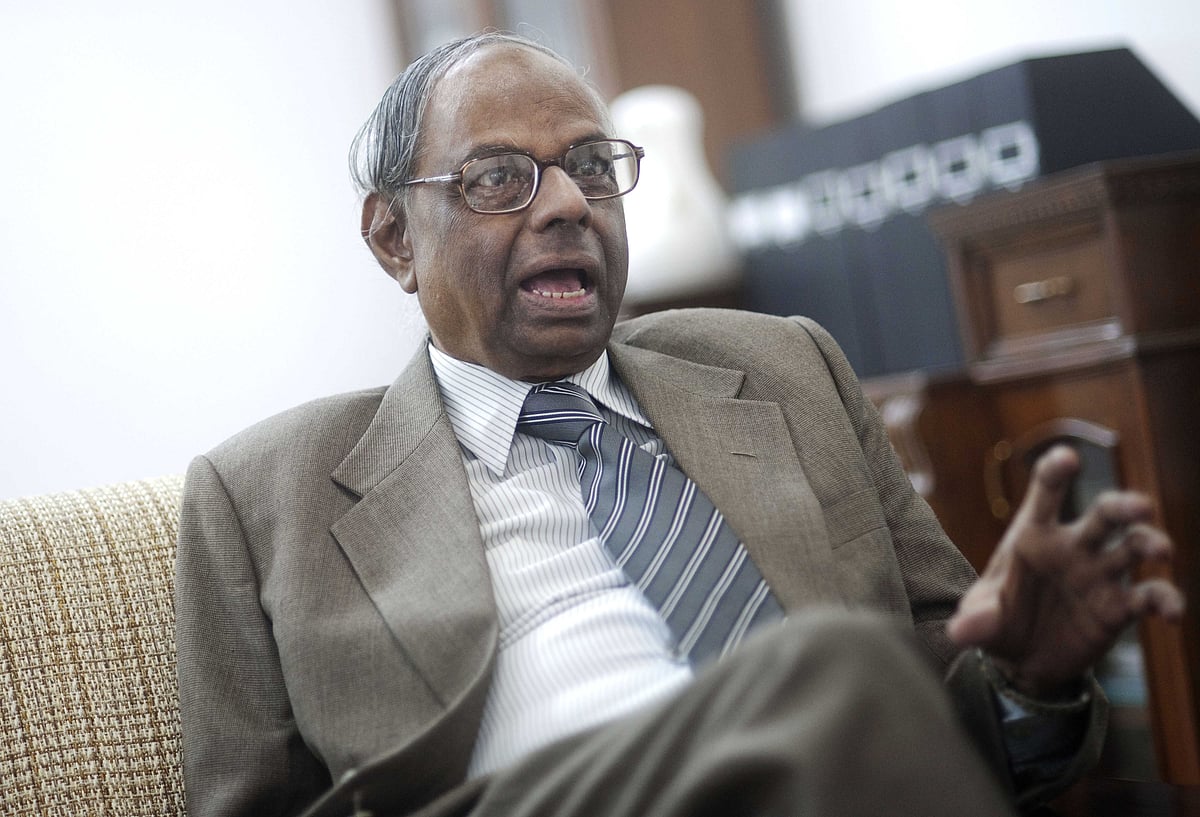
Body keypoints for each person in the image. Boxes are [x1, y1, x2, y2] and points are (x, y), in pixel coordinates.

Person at [174, 32, 1184, 817]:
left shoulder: (783, 366)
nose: (569, 203)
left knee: (844, 677)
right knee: (828, 661)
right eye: (499, 177)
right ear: (393, 237)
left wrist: (1030, 677)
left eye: (592, 165)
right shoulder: (263, 491)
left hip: (832, 783)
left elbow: (955, 712)